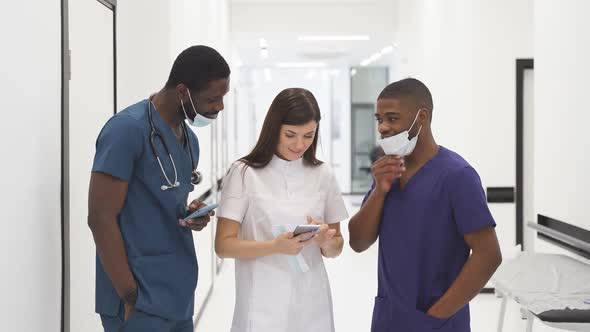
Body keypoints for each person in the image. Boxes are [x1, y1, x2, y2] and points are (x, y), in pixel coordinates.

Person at [87, 45, 230, 332]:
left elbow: (166, 201)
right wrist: (129, 295)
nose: (219, 107)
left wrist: (192, 214)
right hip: (137, 295)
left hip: (176, 291)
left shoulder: (189, 140)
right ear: (182, 91)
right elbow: (100, 218)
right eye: (212, 99)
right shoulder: (126, 130)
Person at [348, 78, 502, 332]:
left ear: (422, 117)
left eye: (392, 118)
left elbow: (488, 255)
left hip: (437, 322)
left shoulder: (457, 175)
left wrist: (435, 318)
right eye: (379, 119)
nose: (383, 127)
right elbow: (358, 242)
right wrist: (380, 191)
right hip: (389, 318)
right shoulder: (388, 170)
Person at [215, 88, 349, 332]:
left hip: (311, 300)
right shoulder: (244, 173)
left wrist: (324, 240)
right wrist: (274, 247)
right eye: (290, 134)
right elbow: (223, 246)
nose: (300, 144)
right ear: (273, 128)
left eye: (309, 135)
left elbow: (335, 247)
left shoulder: (323, 174)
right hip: (261, 302)